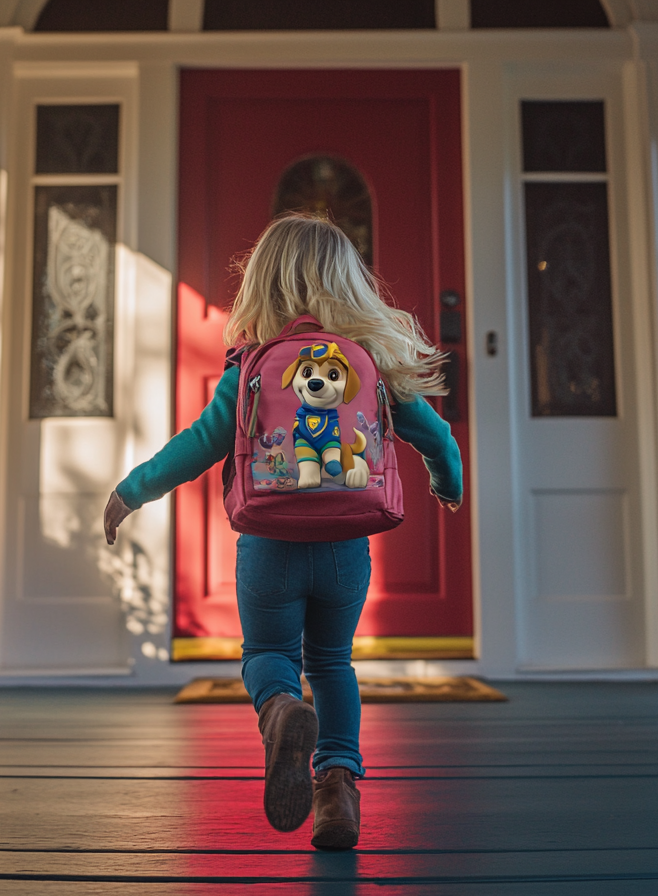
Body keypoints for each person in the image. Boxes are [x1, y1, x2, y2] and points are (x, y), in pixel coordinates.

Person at [103, 213, 462, 850]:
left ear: (261, 285)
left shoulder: (251, 365)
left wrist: (134, 489)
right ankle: (337, 791)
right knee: (332, 661)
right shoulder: (371, 361)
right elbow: (434, 436)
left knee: (268, 656)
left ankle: (278, 712)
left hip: (268, 543)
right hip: (345, 547)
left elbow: (201, 444)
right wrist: (447, 482)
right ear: (351, 286)